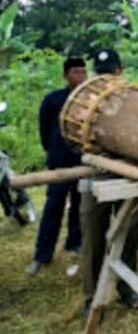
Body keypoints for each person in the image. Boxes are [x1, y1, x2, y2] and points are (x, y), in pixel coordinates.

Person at [81, 48, 138, 314]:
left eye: (111, 71)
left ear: (121, 70)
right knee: (93, 237)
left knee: (130, 234)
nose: (106, 77)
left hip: (128, 173)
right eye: (101, 72)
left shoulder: (134, 97)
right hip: (96, 174)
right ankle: (92, 296)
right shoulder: (84, 100)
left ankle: (125, 289)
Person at [26, 57, 87, 276]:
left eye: (83, 72)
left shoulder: (89, 100)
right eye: (75, 72)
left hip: (82, 160)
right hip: (59, 161)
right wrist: (52, 150)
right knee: (54, 207)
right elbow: (44, 129)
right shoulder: (53, 99)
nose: (80, 77)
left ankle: (74, 242)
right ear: (65, 75)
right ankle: (42, 254)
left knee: (80, 205)